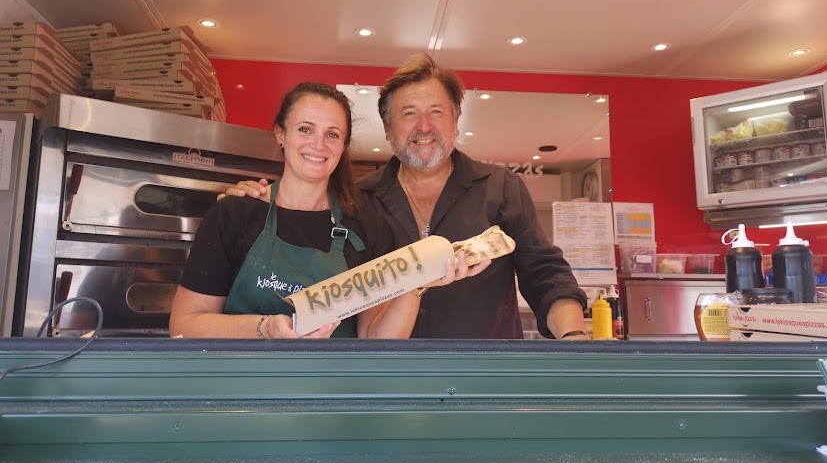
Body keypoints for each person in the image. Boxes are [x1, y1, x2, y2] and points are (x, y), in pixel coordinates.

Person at [222, 55, 588, 340]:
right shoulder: (358, 201)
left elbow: (546, 275)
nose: (424, 126)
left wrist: (573, 336)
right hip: (386, 380)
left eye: (436, 112)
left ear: (455, 120)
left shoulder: (501, 187)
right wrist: (253, 199)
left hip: (482, 375)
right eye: (408, 114)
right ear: (387, 128)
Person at [170, 81, 488, 339]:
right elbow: (185, 325)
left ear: (343, 145)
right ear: (281, 134)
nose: (318, 145)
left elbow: (376, 341)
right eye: (305, 129)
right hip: (242, 401)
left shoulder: (366, 225)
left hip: (332, 401)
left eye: (332, 135)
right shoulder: (234, 216)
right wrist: (266, 329)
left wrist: (416, 285)